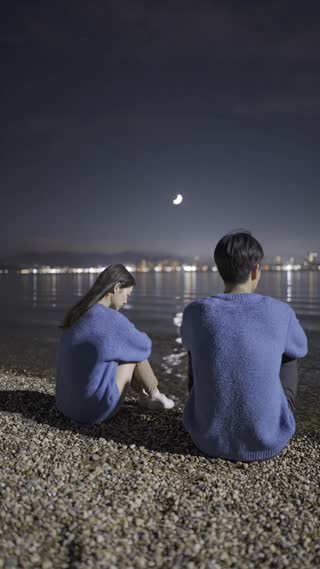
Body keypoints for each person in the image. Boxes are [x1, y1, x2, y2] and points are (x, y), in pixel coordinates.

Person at [180, 230, 308, 463]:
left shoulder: (195, 311)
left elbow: (190, 345)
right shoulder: (280, 311)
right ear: (256, 269)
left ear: (220, 270)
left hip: (206, 438)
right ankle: (275, 419)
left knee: (197, 348)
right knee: (290, 354)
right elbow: (301, 347)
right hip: (267, 440)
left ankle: (208, 414)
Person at [56, 264, 174, 425]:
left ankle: (146, 397)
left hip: (65, 405)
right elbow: (144, 346)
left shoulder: (77, 313)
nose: (126, 301)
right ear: (117, 287)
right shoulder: (111, 319)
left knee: (124, 349)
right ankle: (155, 395)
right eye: (127, 294)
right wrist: (130, 338)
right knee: (134, 352)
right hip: (93, 411)